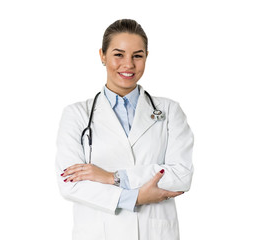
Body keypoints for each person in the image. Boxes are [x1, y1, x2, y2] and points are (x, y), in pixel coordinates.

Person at [55, 19, 194, 240]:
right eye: (118, 54)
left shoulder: (169, 111)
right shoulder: (76, 115)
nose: (128, 64)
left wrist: (113, 177)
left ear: (146, 57)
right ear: (102, 55)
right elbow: (71, 185)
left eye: (137, 55)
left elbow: (181, 175)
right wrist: (136, 198)